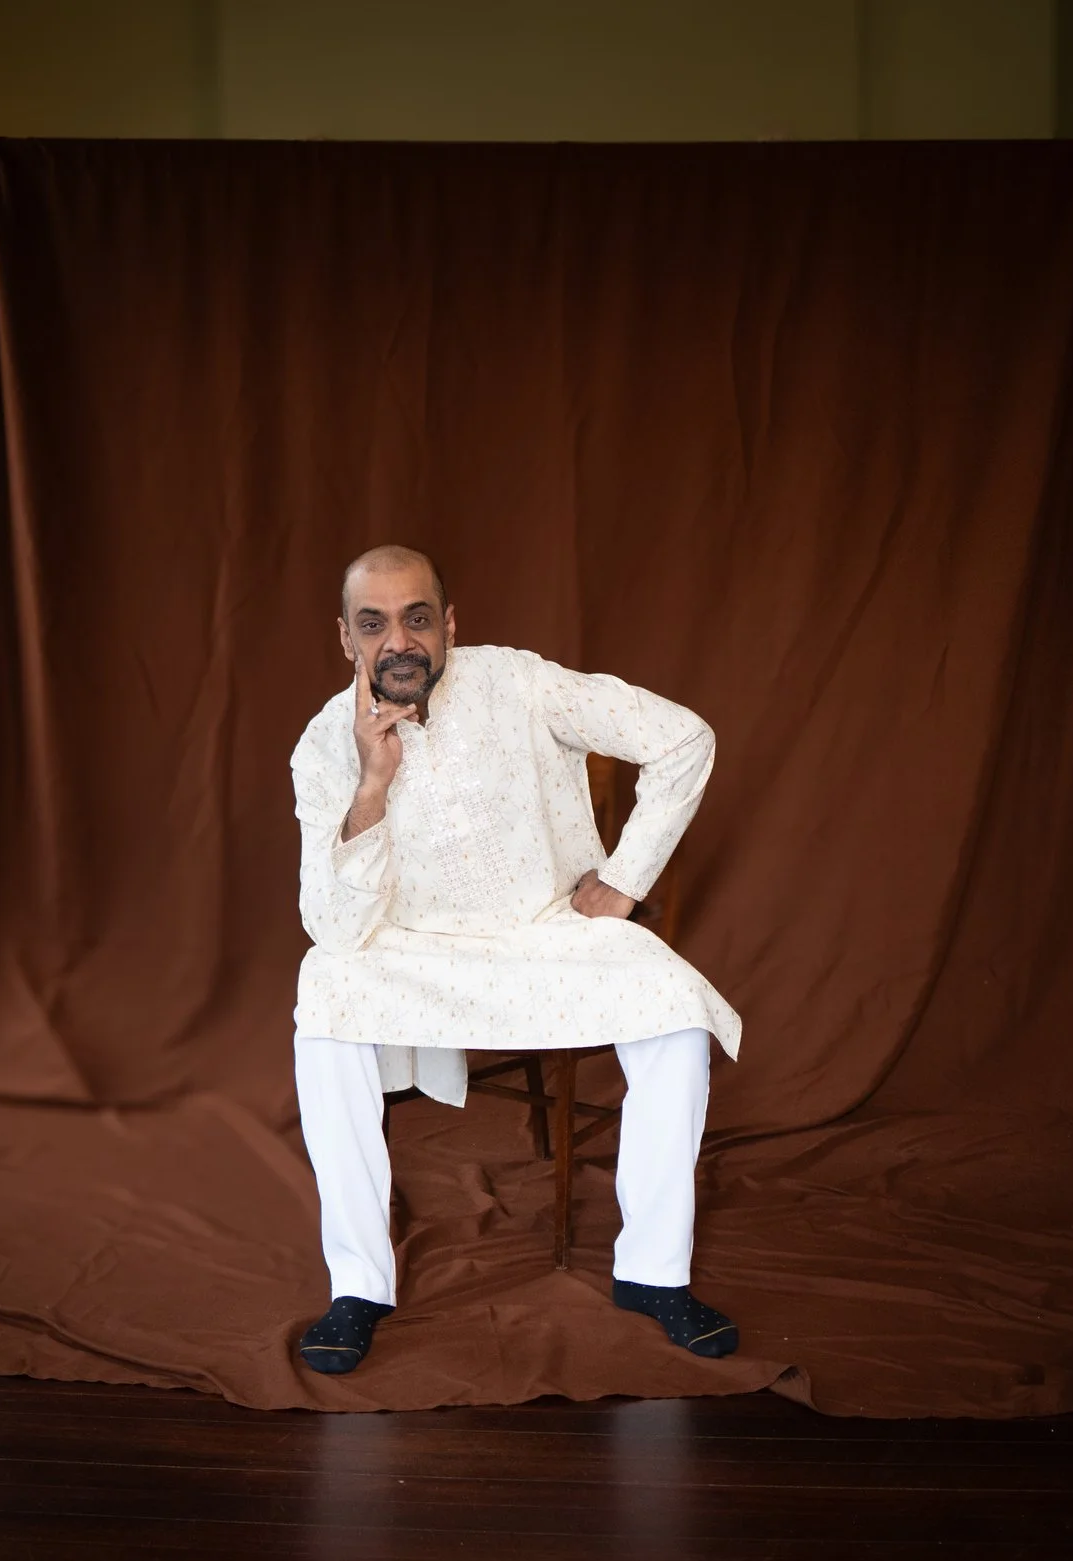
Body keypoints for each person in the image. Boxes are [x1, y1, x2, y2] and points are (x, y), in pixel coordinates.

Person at [290, 545, 744, 1374]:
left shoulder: (520, 681)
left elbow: (684, 737)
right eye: (374, 624)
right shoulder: (323, 744)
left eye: (417, 618)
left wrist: (625, 879)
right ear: (346, 639)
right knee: (323, 993)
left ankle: (654, 1273)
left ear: (449, 625)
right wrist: (372, 784)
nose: (399, 641)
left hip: (548, 936)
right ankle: (358, 1286)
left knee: (678, 1014)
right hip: (412, 953)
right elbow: (331, 922)